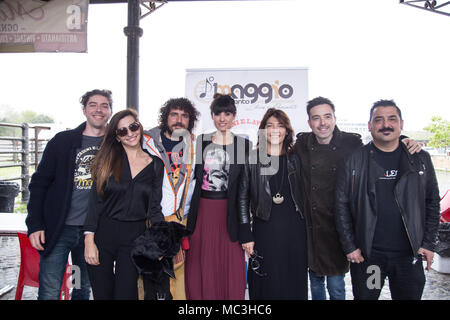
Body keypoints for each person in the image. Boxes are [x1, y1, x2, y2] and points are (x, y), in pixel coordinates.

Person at [293, 96, 422, 300]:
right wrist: (262, 147)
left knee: (336, 286)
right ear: (309, 122)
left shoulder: (351, 143)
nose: (322, 123)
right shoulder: (302, 143)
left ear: (335, 118)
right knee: (316, 282)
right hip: (312, 228)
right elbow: (275, 154)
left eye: (327, 116)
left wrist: (405, 139)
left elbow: (381, 143)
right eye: (316, 118)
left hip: (340, 229)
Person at [334, 99, 441, 300]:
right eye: (379, 120)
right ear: (370, 126)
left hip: (409, 256)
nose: (386, 125)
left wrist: (428, 243)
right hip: (370, 257)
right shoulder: (355, 160)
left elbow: (432, 202)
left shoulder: (420, 158)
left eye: (392, 119)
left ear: (402, 124)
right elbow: (341, 205)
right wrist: (350, 246)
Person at [26, 89, 113, 300]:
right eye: (93, 105)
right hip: (59, 231)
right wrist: (35, 224)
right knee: (49, 290)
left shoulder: (115, 146)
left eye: (104, 105)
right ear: (84, 110)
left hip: (91, 234)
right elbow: (39, 184)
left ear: (110, 111)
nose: (98, 109)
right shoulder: (62, 142)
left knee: (82, 288)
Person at [83, 109, 166, 300]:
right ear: (117, 137)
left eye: (133, 127)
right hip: (104, 233)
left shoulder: (155, 165)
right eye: (122, 131)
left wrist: (158, 241)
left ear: (139, 127)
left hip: (135, 236)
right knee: (102, 294)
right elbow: (95, 203)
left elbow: (154, 208)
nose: (130, 133)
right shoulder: (106, 160)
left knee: (126, 294)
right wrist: (89, 241)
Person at [185, 93, 251, 300]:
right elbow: (194, 178)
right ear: (212, 116)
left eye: (227, 113)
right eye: (218, 113)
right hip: (203, 210)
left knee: (231, 261)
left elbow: (244, 185)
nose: (222, 118)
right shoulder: (202, 142)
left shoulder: (243, 145)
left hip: (229, 212)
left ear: (234, 116)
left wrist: (245, 224)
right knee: (201, 259)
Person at [239, 108, 308, 300]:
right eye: (270, 125)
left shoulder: (296, 159)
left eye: (280, 125)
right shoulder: (252, 158)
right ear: (262, 130)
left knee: (293, 283)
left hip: (295, 231)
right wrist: (245, 232)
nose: (275, 130)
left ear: (287, 130)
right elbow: (242, 197)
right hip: (264, 230)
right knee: (265, 285)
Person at [142, 97, 199, 300]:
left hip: (179, 223)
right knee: (149, 283)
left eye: (185, 116)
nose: (179, 120)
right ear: (165, 117)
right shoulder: (145, 141)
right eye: (174, 114)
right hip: (151, 221)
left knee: (178, 281)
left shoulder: (193, 146)